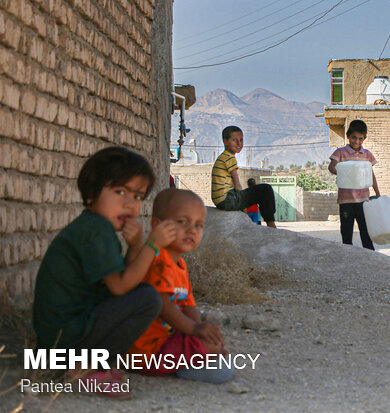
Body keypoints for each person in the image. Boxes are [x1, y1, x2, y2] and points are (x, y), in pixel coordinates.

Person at [33, 146, 177, 399]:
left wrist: (135, 247)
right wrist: (151, 246)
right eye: (120, 191)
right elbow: (121, 289)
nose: (129, 203)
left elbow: (123, 285)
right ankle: (86, 371)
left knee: (143, 294)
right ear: (92, 192)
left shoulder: (95, 226)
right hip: (65, 339)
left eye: (137, 196)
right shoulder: (95, 230)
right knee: (148, 299)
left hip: (60, 339)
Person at [129, 189, 233, 383]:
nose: (192, 230)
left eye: (199, 225)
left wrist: (201, 329)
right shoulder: (157, 260)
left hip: (169, 340)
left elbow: (188, 305)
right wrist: (195, 330)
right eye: (182, 222)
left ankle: (197, 358)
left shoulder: (181, 265)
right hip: (148, 350)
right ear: (157, 226)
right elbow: (163, 305)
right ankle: (185, 367)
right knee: (214, 356)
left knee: (212, 342)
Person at [328, 119, 380, 250]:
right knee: (346, 230)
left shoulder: (367, 154)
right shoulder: (340, 152)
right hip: (346, 201)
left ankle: (369, 255)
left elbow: (371, 175)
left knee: (366, 229)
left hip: (364, 200)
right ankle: (347, 255)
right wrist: (343, 173)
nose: (357, 142)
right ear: (347, 136)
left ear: (365, 138)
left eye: (360, 139)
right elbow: (331, 167)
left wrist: (378, 194)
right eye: (353, 138)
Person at [211, 125, 277, 228]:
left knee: (261, 190)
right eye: (234, 140)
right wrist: (243, 207)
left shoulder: (222, 158)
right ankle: (271, 224)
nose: (239, 143)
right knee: (265, 189)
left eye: (241, 140)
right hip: (227, 200)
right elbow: (237, 185)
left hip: (221, 200)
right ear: (225, 141)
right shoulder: (229, 158)